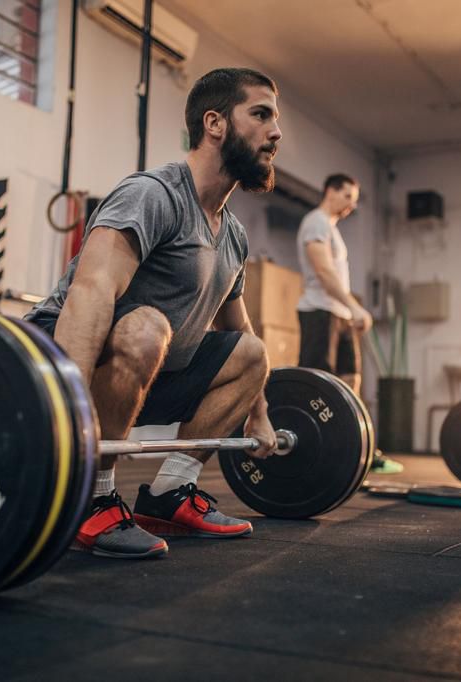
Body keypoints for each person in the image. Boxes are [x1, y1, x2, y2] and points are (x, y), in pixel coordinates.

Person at [25, 68, 283, 559]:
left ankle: (170, 494)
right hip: (55, 356)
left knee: (251, 353)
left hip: (148, 364)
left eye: (276, 119)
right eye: (261, 114)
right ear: (215, 123)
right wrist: (69, 414)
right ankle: (91, 496)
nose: (276, 132)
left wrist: (260, 417)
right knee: (147, 327)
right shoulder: (154, 194)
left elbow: (239, 330)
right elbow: (90, 294)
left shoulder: (232, 233)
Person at [295, 174, 372, 393]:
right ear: (330, 191)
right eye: (347, 195)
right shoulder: (316, 222)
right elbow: (324, 272)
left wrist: (349, 310)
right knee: (318, 382)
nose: (352, 204)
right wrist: (354, 306)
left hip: (340, 314)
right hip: (319, 310)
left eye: (355, 199)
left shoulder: (331, 228)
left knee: (351, 380)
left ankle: (346, 427)